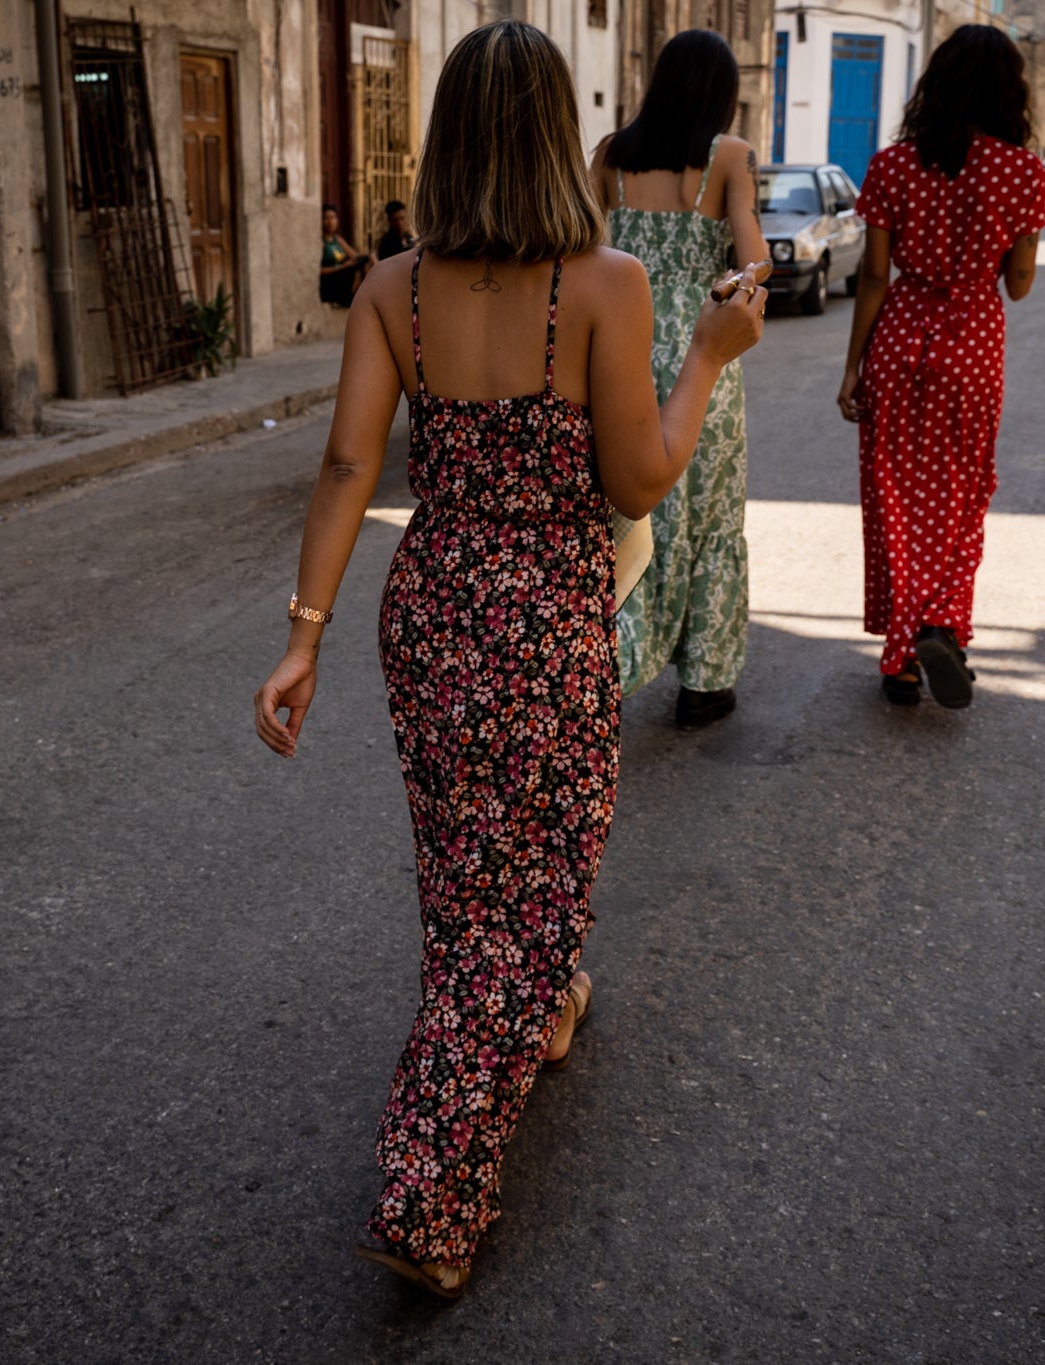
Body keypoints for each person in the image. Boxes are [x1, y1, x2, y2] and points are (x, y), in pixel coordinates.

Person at [251, 19, 764, 1298]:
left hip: (430, 611)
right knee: (535, 888)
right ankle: (429, 1194)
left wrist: (300, 639)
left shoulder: (391, 289)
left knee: (465, 869)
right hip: (543, 616)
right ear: (547, 136)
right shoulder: (601, 286)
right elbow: (640, 473)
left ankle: (537, 1011)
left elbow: (345, 468)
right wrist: (707, 356)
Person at [834, 24, 1045, 709]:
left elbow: (872, 277)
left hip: (899, 339)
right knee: (963, 492)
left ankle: (899, 659)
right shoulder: (1022, 172)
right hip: (973, 345)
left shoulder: (892, 165)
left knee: (894, 494)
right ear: (1009, 93)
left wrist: (852, 369)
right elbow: (1018, 283)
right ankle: (942, 625)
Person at [590, 28, 771, 731]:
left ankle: (610, 657)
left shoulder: (610, 155)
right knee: (711, 515)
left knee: (627, 511)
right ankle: (705, 680)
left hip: (618, 347)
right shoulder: (729, 157)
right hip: (702, 348)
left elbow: (572, 240)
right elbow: (755, 265)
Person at [320, 203, 366, 307]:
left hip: (344, 275)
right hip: (331, 279)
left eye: (332, 218)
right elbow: (317, 271)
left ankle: (360, 297)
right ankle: (353, 298)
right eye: (326, 218)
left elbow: (355, 256)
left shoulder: (337, 239)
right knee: (353, 268)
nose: (330, 222)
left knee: (362, 261)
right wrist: (341, 267)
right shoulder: (321, 242)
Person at [374, 199, 416, 263]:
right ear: (389, 220)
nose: (400, 223)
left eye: (402, 218)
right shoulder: (386, 242)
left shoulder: (409, 238)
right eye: (396, 220)